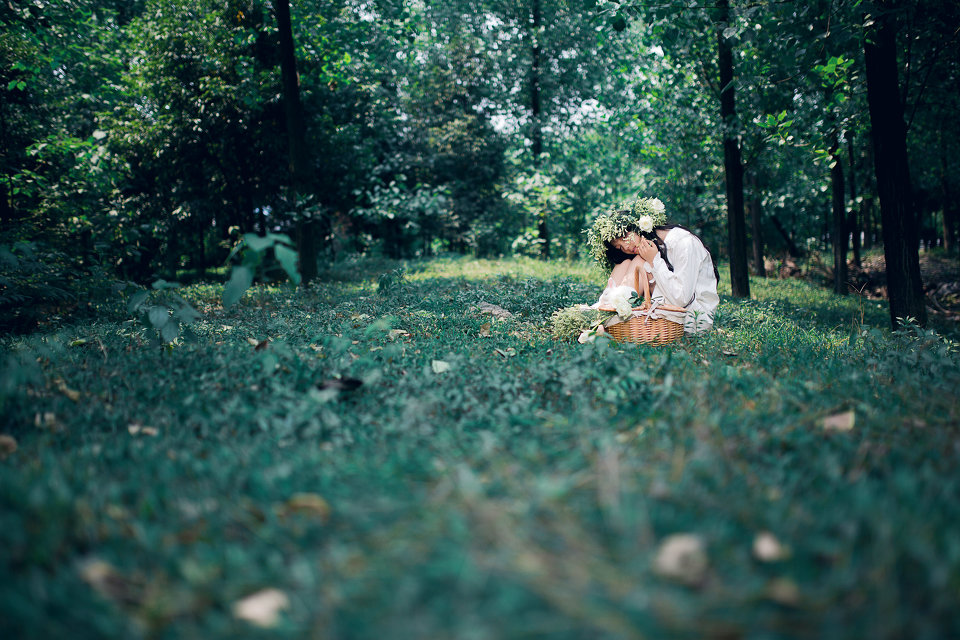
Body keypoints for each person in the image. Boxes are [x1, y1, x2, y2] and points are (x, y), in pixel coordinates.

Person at [587, 197, 719, 333]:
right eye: (620, 247)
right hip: (668, 307)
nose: (625, 247)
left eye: (624, 237)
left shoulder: (684, 243)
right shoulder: (652, 247)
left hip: (693, 318)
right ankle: (601, 313)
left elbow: (681, 299)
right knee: (625, 263)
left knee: (640, 261)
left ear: (637, 226)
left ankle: (605, 323)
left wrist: (654, 260)